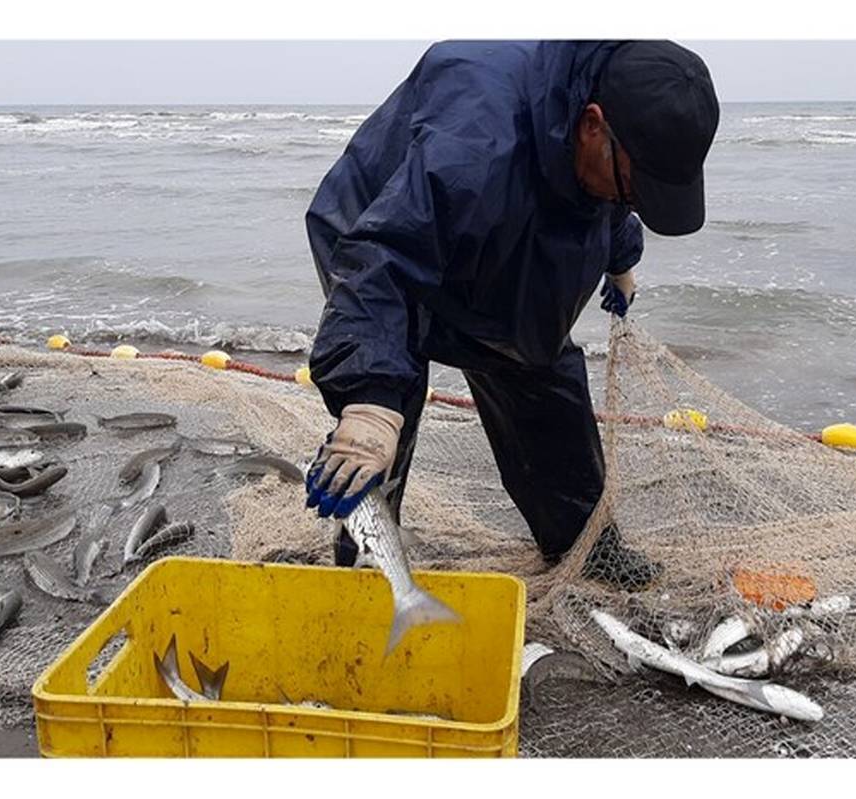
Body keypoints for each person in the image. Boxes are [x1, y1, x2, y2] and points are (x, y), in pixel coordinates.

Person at [302, 41, 719, 590]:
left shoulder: (608, 123)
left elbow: (613, 202)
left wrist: (621, 264)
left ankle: (582, 546)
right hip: (384, 242)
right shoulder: (475, 139)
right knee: (383, 408)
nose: (633, 199)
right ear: (593, 125)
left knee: (539, 369)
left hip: (501, 226)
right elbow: (387, 258)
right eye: (636, 188)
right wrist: (369, 398)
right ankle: (366, 557)